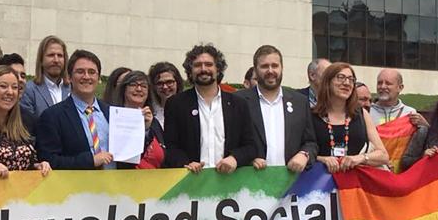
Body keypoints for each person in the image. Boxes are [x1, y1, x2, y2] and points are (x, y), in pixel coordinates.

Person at [162, 44, 256, 172]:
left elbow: (250, 146)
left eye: (209, 64)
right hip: (191, 181)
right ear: (190, 71)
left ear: (218, 69)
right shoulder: (176, 104)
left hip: (228, 181)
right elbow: (171, 146)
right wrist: (185, 163)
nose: (203, 69)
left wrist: (235, 158)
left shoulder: (238, 104)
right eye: (197, 65)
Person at [235, 45, 316, 173]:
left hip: (290, 183)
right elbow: (231, 143)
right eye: (264, 66)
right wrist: (247, 159)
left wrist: (304, 154)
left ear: (282, 68)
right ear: (255, 70)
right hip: (251, 183)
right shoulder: (238, 101)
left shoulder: (299, 101)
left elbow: (311, 142)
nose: (270, 71)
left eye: (275, 66)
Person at [36, 50, 117, 170]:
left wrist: (144, 127)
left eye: (92, 72)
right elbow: (49, 160)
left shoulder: (112, 113)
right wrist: (90, 161)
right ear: (69, 77)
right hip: (76, 187)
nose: (86, 77)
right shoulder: (52, 116)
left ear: (99, 78)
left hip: (116, 185)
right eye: (80, 72)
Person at [0, 64, 51, 178]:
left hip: (25, 193)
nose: (10, 92)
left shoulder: (28, 120)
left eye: (15, 87)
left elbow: (34, 158)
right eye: (3, 86)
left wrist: (39, 165)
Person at [309, 62, 390, 174]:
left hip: (355, 186)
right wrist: (322, 159)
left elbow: (383, 155)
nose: (347, 83)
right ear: (327, 82)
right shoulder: (310, 115)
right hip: (319, 185)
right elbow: (299, 153)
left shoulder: (362, 114)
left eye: (351, 79)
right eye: (341, 78)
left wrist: (360, 158)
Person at [115, 70, 165, 169]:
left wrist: (148, 128)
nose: (139, 89)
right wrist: (145, 132)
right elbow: (126, 159)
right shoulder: (116, 119)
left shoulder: (153, 122)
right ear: (124, 89)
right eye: (133, 85)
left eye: (144, 86)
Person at [22, 35, 70, 121]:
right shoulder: (29, 91)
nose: (56, 60)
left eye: (60, 55)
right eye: (51, 55)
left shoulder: (73, 90)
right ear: (41, 60)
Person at [148, 61, 184, 127]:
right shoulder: (150, 112)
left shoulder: (188, 109)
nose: (165, 87)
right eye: (160, 83)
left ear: (178, 83)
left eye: (169, 82)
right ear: (154, 87)